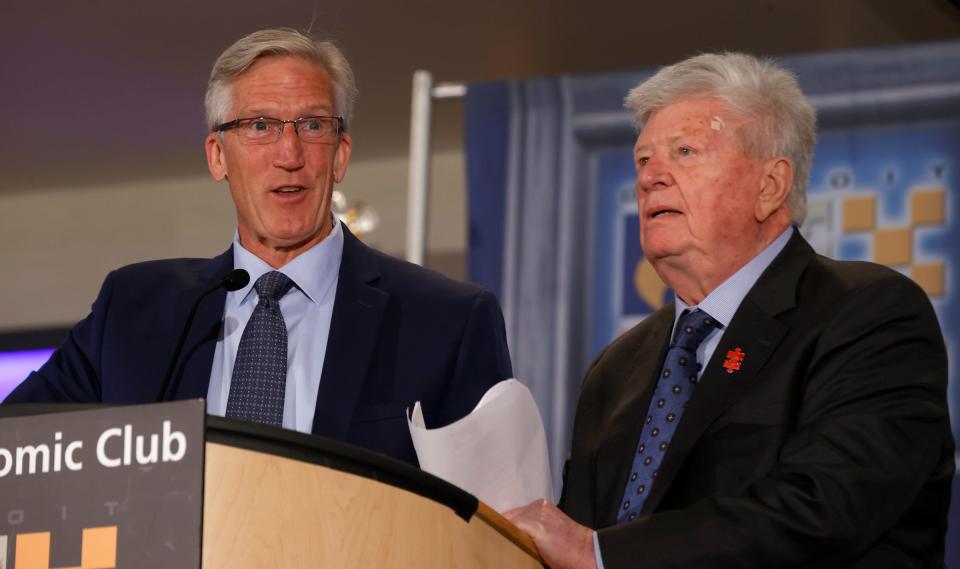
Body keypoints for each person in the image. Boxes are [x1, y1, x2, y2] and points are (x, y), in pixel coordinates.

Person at [505, 52, 953, 568]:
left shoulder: (867, 312)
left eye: (686, 151)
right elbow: (574, 535)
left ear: (770, 186)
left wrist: (601, 553)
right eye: (644, 160)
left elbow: (823, 507)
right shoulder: (616, 367)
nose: (651, 177)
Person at [3, 28, 513, 467]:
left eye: (313, 126)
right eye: (260, 127)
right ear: (217, 156)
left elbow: (494, 527)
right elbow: (17, 449)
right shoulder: (133, 311)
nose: (289, 154)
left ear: (340, 156)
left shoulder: (448, 321)